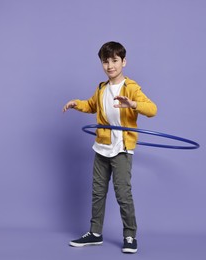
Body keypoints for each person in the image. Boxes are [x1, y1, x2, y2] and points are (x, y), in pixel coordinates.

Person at [62, 41, 157, 254]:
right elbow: (91, 105)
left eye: (114, 60)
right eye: (105, 61)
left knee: (123, 193)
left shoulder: (131, 88)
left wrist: (132, 104)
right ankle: (95, 233)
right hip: (101, 147)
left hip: (121, 148)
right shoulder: (101, 88)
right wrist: (76, 103)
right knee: (97, 192)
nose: (110, 65)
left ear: (124, 62)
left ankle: (130, 235)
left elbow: (152, 109)